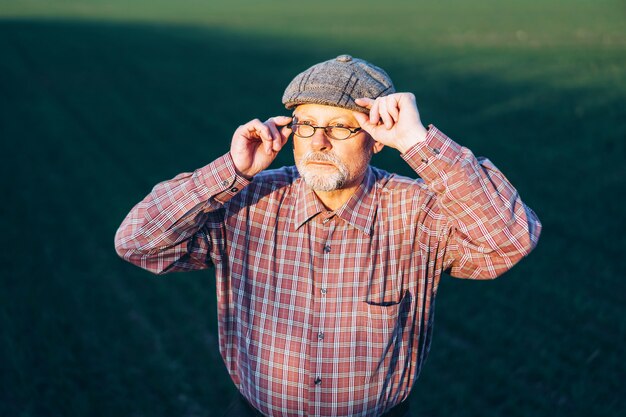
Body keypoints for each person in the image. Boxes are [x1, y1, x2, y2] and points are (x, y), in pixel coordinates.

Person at [114, 54, 542, 417]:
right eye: (306, 124)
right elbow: (137, 242)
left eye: (340, 127)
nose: (318, 141)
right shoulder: (248, 202)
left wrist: (417, 142)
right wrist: (233, 169)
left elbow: (509, 240)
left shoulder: (417, 211)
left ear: (376, 139)